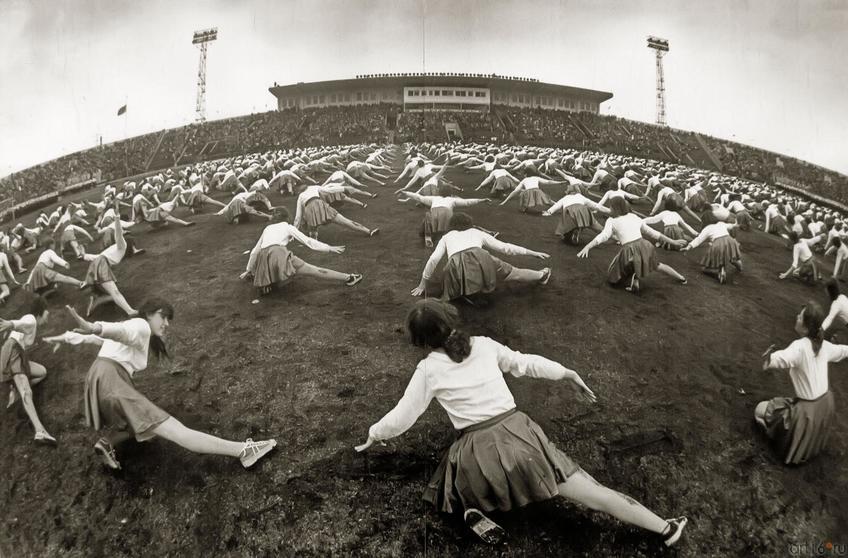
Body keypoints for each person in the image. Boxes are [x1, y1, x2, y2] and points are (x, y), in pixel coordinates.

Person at [354, 300, 688, 547]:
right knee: (593, 493)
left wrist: (374, 434)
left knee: (453, 478)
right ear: (450, 320)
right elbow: (525, 364)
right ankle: (665, 528)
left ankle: (473, 508)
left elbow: (404, 414)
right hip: (521, 438)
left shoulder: (427, 369)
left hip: (476, 455)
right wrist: (566, 373)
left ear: (422, 342)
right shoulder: (484, 345)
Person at [43, 302, 277, 471]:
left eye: (168, 319)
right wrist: (97, 327)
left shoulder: (139, 334)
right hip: (111, 379)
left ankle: (107, 443)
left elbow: (99, 339)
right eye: (162, 316)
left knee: (140, 425)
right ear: (149, 314)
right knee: (176, 430)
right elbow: (120, 332)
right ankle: (243, 451)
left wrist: (67, 337)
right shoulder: (140, 325)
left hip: (100, 377)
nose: (166, 323)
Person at [757, 302, 845, 464]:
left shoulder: (800, 346)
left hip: (805, 413)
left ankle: (779, 437)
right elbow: (843, 351)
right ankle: (805, 443)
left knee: (759, 411)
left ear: (805, 328)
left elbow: (783, 358)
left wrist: (769, 359)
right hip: (825, 407)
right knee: (787, 406)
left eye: (800, 316)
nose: (797, 317)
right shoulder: (824, 345)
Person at [411, 213, 550, 302]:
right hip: (481, 259)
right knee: (514, 273)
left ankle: (466, 293)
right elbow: (505, 248)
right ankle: (542, 275)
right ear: (469, 223)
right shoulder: (476, 232)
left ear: (452, 225)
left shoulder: (447, 236)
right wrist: (533, 252)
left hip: (455, 266)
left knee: (450, 275)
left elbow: (434, 259)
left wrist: (422, 285)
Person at [240, 208, 363, 296]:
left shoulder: (267, 228)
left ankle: (268, 284)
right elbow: (308, 241)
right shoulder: (288, 227)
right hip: (278, 253)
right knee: (313, 270)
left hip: (263, 256)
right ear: (287, 217)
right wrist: (328, 247)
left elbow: (255, 252)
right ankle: (349, 277)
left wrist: (249, 270)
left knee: (280, 271)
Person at [577, 198, 687, 293]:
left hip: (629, 250)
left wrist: (588, 246)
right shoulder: (633, 216)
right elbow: (654, 233)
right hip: (644, 245)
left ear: (615, 208)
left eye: (611, 207)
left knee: (614, 274)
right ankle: (681, 278)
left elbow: (603, 236)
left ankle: (634, 277)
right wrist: (673, 242)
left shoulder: (612, 221)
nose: (609, 209)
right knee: (657, 265)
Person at [0, 296, 56, 443]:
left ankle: (15, 390)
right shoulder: (31, 319)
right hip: (13, 352)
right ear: (40, 313)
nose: (47, 317)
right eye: (46, 314)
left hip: (17, 353)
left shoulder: (31, 322)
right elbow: (21, 324)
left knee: (42, 372)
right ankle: (40, 431)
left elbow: (19, 329)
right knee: (27, 391)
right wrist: (10, 324)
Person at [81, 211, 139, 316]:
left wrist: (84, 256)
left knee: (112, 291)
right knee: (115, 292)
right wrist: (117, 220)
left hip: (97, 263)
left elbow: (97, 257)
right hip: (101, 264)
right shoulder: (123, 246)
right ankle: (130, 311)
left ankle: (95, 298)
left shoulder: (113, 250)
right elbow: (119, 236)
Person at [399, 190, 492, 248]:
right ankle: (485, 233)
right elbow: (467, 202)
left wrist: (406, 193)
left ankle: (428, 236)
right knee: (459, 226)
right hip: (447, 214)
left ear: (439, 192)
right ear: (450, 194)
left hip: (434, 213)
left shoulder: (434, 198)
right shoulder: (452, 199)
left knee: (427, 217)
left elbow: (419, 197)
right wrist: (481, 200)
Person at [294, 185, 380, 239]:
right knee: (345, 221)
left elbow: (298, 216)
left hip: (310, 210)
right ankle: (368, 231)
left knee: (313, 230)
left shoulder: (301, 196)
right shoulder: (313, 187)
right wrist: (344, 188)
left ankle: (313, 243)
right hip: (320, 205)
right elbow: (330, 190)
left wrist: (294, 230)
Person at [681, 212, 743, 284]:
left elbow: (698, 239)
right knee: (733, 258)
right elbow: (731, 226)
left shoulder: (707, 228)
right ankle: (739, 268)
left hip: (717, 244)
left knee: (705, 268)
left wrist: (688, 247)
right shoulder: (721, 224)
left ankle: (721, 270)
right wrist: (736, 223)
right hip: (729, 241)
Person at [542, 185, 611, 245]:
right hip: (583, 211)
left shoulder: (565, 198)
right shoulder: (581, 196)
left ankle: (574, 231)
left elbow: (556, 206)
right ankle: (615, 237)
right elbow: (596, 206)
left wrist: (549, 212)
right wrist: (610, 211)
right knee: (595, 226)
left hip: (570, 213)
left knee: (566, 230)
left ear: (568, 192)